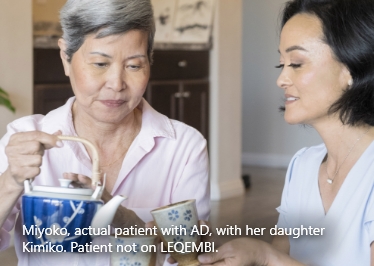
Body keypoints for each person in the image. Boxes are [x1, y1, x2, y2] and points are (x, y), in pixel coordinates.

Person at [0, 0, 210, 265]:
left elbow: (189, 255)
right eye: (100, 63)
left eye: (134, 66)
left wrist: (115, 212)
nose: (116, 84)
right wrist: (11, 181)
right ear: (66, 57)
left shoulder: (184, 147)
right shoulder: (24, 137)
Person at [198, 0, 374, 265]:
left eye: (297, 63)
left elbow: (274, 259)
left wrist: (265, 256)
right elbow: (283, 259)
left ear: (350, 68)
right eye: (281, 64)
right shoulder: (302, 166)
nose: (281, 79)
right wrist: (229, 252)